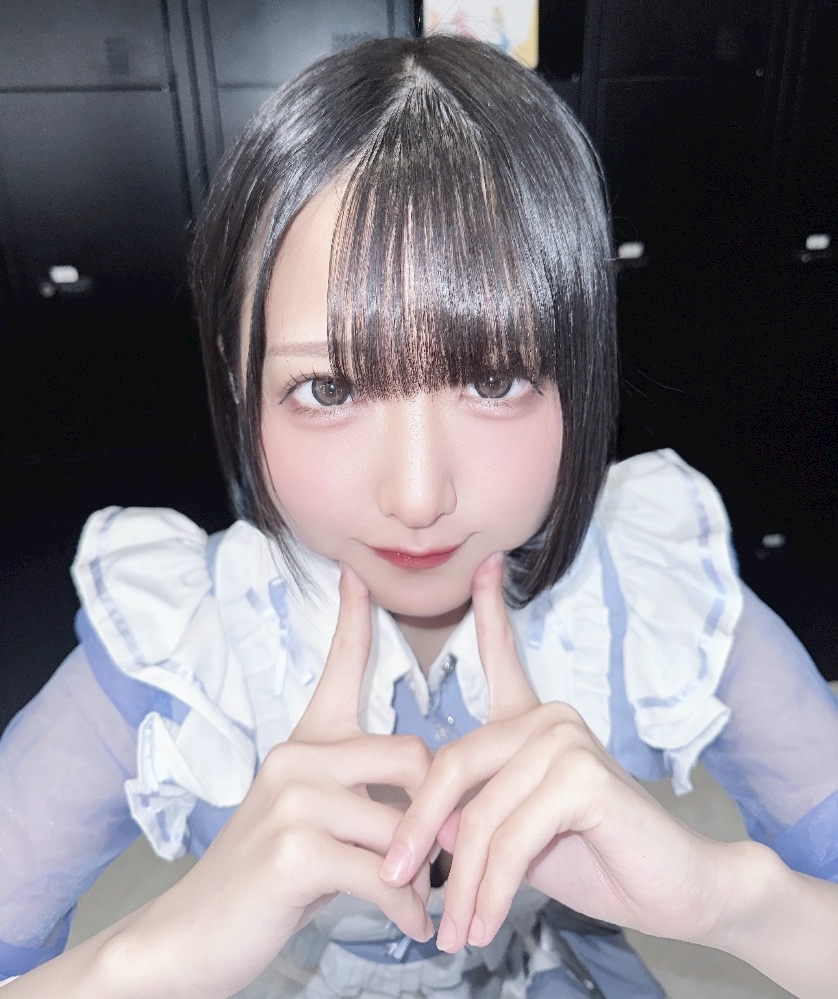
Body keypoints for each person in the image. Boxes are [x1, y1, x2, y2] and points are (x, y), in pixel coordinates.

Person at [1, 33, 837, 999]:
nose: (416, 495)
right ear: (241, 382)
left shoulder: (650, 594)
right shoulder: (176, 648)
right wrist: (156, 954)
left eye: (494, 378)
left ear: (581, 374)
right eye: (328, 387)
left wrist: (727, 898)